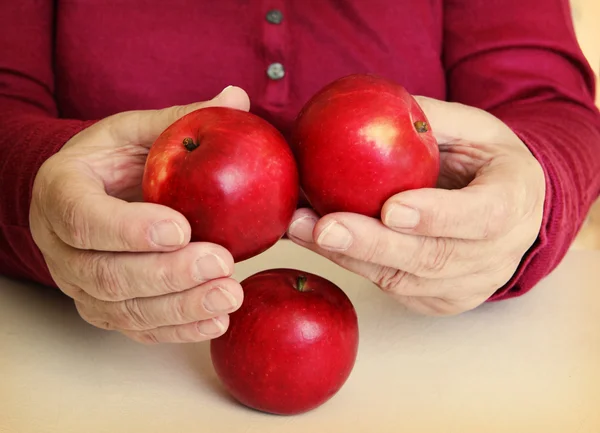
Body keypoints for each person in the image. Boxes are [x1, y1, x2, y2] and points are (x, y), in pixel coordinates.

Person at [1, 1, 599, 345]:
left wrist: (531, 206)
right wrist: (41, 193)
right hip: (82, 351)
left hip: (413, 346)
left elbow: (551, 108)